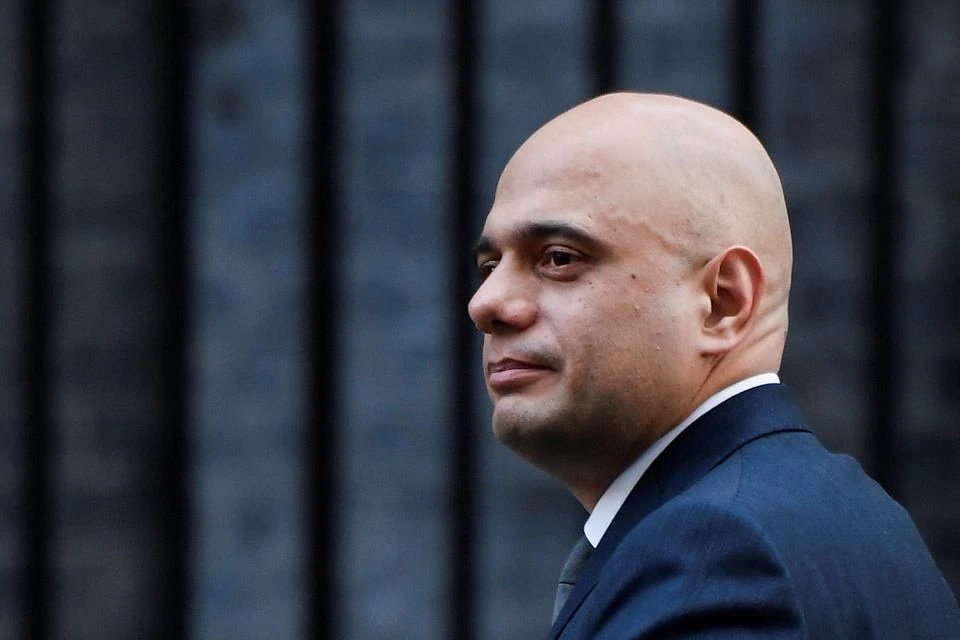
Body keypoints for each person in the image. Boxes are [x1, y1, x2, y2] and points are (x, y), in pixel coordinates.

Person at [468, 92, 960, 639]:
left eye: (559, 257)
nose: (486, 303)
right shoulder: (854, 519)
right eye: (490, 264)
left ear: (725, 301)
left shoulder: (717, 553)